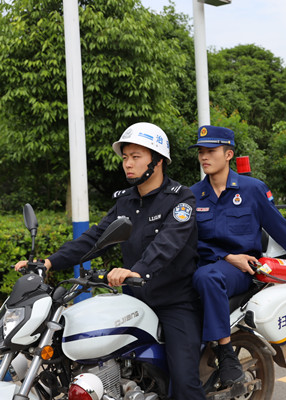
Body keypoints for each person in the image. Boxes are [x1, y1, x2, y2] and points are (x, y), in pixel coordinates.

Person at [16, 122, 206, 400]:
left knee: (185, 382)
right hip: (134, 299)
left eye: (136, 157)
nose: (127, 163)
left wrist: (135, 270)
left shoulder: (180, 199)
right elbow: (95, 239)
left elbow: (168, 244)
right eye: (125, 157)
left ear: (158, 160)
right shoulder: (125, 201)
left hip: (175, 301)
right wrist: (49, 263)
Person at [189, 125, 286, 386]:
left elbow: (281, 229)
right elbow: (189, 241)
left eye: (211, 151)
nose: (204, 157)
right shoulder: (193, 195)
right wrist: (227, 255)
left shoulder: (252, 190)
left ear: (228, 154)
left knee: (208, 278)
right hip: (208, 264)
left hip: (241, 271)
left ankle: (225, 352)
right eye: (201, 152)